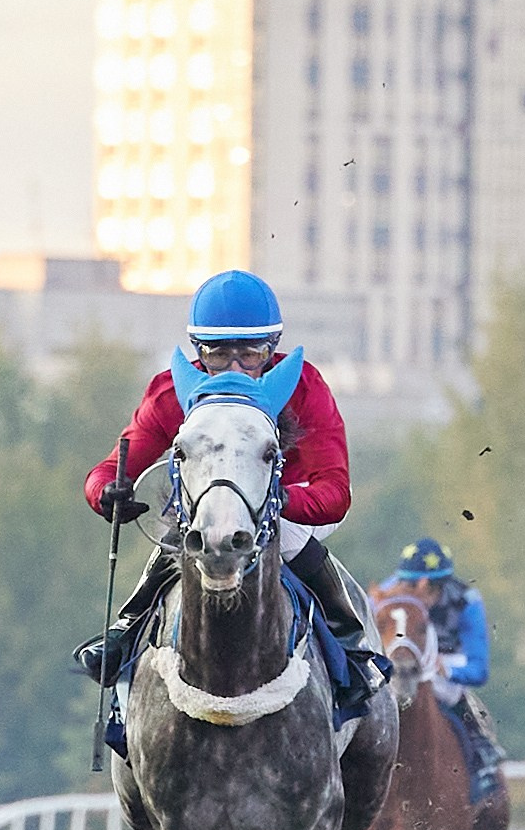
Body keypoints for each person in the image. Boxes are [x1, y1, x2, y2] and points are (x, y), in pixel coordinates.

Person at [72, 269, 386, 712]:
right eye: (219, 356)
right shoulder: (169, 392)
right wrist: (106, 491)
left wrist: (280, 501)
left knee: (289, 536)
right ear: (198, 351)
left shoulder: (304, 385)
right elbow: (112, 465)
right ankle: (125, 633)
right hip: (204, 504)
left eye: (251, 353)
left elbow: (334, 491)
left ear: (272, 347)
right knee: (178, 536)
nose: (236, 368)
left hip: (290, 502)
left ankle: (350, 646)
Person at [378, 538, 504, 800]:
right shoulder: (387, 593)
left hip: (444, 673)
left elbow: (479, 669)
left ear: (431, 585)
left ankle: (482, 759)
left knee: (447, 689)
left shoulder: (466, 601)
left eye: (416, 586)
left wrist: (445, 669)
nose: (408, 591)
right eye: (406, 584)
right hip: (396, 669)